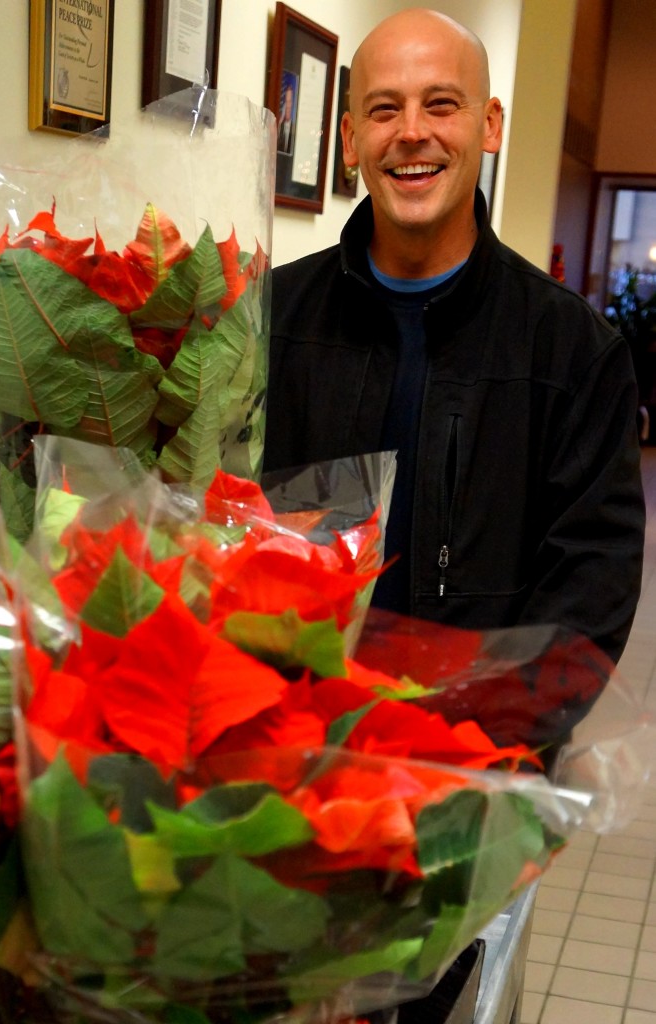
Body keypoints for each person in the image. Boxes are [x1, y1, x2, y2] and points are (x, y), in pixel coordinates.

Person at [264, 8, 646, 667]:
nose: (412, 133)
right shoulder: (270, 314)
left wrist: (488, 737)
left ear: (488, 125)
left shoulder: (572, 348)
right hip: (287, 730)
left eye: (440, 105)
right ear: (350, 139)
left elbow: (591, 581)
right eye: (384, 111)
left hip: (472, 744)